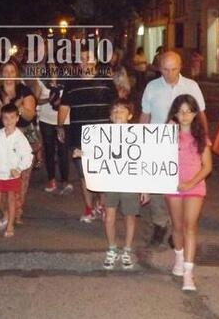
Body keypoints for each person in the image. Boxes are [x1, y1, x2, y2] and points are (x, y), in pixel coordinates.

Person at [140, 50, 209, 246]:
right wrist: (139, 138)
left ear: (180, 67)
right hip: (157, 143)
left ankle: (176, 228)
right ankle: (160, 224)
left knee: (180, 185)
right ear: (158, 67)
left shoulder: (191, 86)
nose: (169, 74)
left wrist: (203, 137)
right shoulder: (152, 87)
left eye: (174, 69)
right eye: (165, 69)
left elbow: (201, 113)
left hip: (184, 144)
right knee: (156, 186)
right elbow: (145, 115)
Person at [58, 49, 117, 223]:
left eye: (88, 59)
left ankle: (103, 203)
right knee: (84, 175)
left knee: (102, 172)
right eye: (82, 59)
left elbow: (116, 106)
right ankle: (89, 208)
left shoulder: (106, 81)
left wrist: (117, 128)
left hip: (103, 136)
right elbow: (64, 107)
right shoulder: (71, 82)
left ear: (96, 61)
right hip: (79, 136)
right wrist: (60, 127)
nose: (85, 62)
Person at [165, 94, 213, 292]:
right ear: (175, 112)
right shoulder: (167, 135)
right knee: (177, 226)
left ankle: (188, 273)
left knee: (190, 226)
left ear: (195, 113)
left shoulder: (201, 137)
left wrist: (190, 183)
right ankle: (178, 257)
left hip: (195, 187)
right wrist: (166, 130)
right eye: (180, 111)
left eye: (189, 111)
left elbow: (207, 166)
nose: (184, 115)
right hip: (172, 186)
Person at [0, 61, 38, 223]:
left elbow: (30, 115)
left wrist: (18, 108)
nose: (9, 75)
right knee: (2, 175)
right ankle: (7, 210)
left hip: (22, 136)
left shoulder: (25, 91)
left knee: (21, 177)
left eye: (12, 71)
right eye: (5, 71)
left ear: (17, 74)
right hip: (2, 138)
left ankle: (17, 211)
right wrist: (5, 107)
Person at [102, 99, 148, 270]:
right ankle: (112, 249)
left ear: (129, 115)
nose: (118, 114)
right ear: (110, 116)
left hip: (130, 183)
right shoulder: (102, 135)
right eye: (114, 111)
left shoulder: (138, 135)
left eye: (122, 111)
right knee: (109, 217)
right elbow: (97, 157)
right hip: (110, 182)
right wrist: (84, 153)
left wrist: (145, 188)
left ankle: (127, 250)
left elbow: (143, 161)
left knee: (130, 217)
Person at [0, 103, 33, 238]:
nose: (8, 121)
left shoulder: (20, 137)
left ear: (17, 118)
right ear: (1, 119)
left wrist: (19, 168)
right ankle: (6, 213)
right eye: (5, 118)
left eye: (12, 118)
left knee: (11, 199)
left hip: (12, 175)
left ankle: (10, 225)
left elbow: (28, 155)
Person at [34, 68, 73, 195]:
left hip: (64, 120)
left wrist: (62, 101)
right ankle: (51, 179)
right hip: (46, 120)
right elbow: (36, 99)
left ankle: (65, 181)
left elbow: (72, 98)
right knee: (49, 150)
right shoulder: (41, 79)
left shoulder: (68, 80)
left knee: (63, 151)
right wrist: (49, 100)